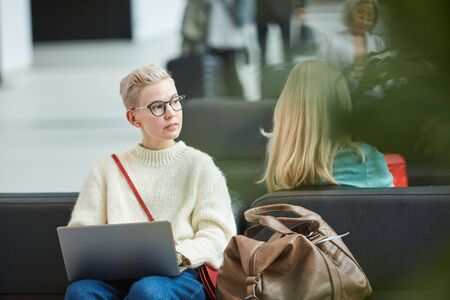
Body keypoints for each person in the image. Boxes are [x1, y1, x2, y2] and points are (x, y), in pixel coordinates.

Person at [64, 65, 236, 299]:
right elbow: (80, 239)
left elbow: (219, 237)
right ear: (133, 117)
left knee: (148, 290)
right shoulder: (107, 169)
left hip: (180, 276)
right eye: (157, 106)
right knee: (80, 292)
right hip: (116, 277)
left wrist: (178, 254)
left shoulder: (200, 166)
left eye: (175, 101)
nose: (171, 113)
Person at [260, 61, 393, 192]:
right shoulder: (365, 159)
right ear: (341, 105)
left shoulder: (277, 152)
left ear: (286, 106)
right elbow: (394, 205)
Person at [317, 0, 385, 73]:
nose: (364, 21)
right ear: (349, 14)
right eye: (360, 12)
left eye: (370, 15)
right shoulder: (329, 40)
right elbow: (320, 71)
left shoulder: (378, 42)